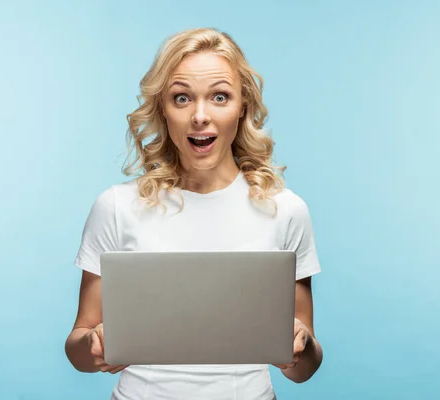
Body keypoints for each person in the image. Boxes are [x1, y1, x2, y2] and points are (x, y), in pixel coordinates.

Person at [65, 27, 323, 400]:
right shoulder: (117, 207)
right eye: (182, 98)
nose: (200, 116)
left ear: (242, 107)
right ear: (163, 110)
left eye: (220, 96)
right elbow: (78, 347)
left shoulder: (286, 211)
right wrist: (93, 344)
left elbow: (304, 369)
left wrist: (301, 346)